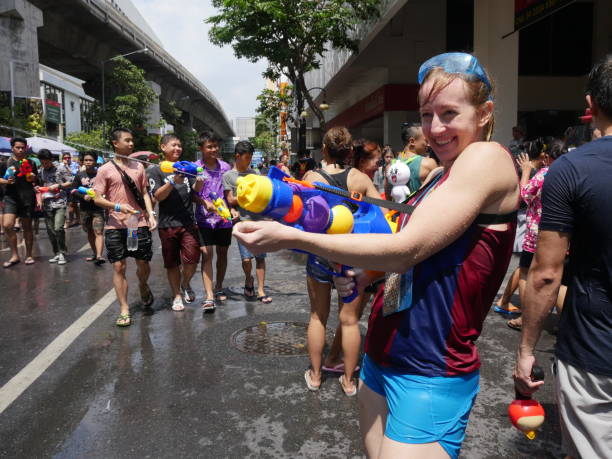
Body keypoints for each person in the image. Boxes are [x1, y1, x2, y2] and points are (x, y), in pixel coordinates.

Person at [235, 52, 519, 458]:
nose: (435, 128)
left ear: (485, 113)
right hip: (385, 354)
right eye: (426, 114)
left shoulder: (485, 158)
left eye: (450, 113)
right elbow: (426, 257)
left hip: (431, 370)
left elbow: (407, 249)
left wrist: (291, 237)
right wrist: (369, 276)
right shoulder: (444, 172)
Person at [514, 56, 612, 459]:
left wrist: (525, 352)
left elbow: (545, 275)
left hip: (595, 352)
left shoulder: (571, 169)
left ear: (591, 103)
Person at [294, 126, 382, 397]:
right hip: (350, 255)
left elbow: (299, 211)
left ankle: (317, 376)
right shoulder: (359, 178)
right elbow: (382, 209)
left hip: (321, 253)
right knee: (350, 320)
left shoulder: (311, 176)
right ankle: (348, 382)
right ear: (349, 151)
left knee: (318, 317)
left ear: (324, 150)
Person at [93, 128, 157, 327]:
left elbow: (145, 193)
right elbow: (97, 199)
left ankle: (143, 285)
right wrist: (118, 206)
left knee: (143, 264)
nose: (131, 144)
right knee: (119, 266)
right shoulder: (105, 170)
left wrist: (151, 214)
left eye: (132, 140)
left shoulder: (138, 167)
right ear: (115, 143)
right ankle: (124, 308)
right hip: (115, 225)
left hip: (136, 224)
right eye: (127, 141)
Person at [147, 134, 203, 312]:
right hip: (167, 224)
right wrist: (172, 181)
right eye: (173, 145)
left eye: (179, 145)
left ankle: (185, 283)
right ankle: (176, 294)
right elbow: (157, 196)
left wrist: (200, 182)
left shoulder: (187, 167)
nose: (177, 148)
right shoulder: (155, 170)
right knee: (171, 263)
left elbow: (194, 192)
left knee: (193, 260)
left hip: (188, 222)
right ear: (163, 147)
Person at [223, 141, 272, 303]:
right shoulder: (229, 176)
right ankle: (248, 279)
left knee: (260, 257)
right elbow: (230, 199)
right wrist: (248, 196)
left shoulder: (255, 173)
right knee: (246, 259)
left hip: (258, 221)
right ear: (238, 156)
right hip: (242, 222)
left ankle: (261, 290)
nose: (249, 160)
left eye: (251, 157)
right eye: (247, 157)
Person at [194, 131, 232, 312]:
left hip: (224, 219)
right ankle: (209, 295)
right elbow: (190, 195)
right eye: (209, 147)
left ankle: (219, 286)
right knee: (206, 253)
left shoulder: (225, 167)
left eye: (215, 146)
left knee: (223, 252)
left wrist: (232, 208)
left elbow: (229, 193)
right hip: (204, 219)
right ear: (201, 148)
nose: (213, 149)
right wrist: (202, 201)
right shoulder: (195, 168)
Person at [0, 137, 38, 267]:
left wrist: (33, 177)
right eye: (18, 147)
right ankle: (15, 255)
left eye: (23, 147)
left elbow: (36, 182)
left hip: (27, 197)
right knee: (7, 225)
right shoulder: (5, 162)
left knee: (27, 227)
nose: (21, 150)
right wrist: (6, 181)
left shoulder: (31, 162)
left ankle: (28, 255)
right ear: (12, 148)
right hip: (10, 197)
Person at [36, 149, 73, 265]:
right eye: (42, 162)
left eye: (46, 162)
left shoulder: (61, 168)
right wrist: (38, 189)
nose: (45, 165)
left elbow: (71, 181)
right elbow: (40, 185)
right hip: (47, 204)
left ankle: (63, 252)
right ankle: (56, 253)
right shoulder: (41, 171)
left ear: (51, 160)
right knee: (51, 231)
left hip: (60, 202)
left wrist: (59, 185)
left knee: (58, 228)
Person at [73, 151, 106, 264]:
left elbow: (106, 189)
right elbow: (74, 190)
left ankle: (99, 255)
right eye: (86, 160)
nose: (88, 162)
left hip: (98, 208)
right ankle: (94, 253)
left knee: (98, 231)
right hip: (84, 209)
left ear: (95, 161)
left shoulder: (100, 174)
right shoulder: (79, 175)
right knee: (90, 232)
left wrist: (98, 196)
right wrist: (83, 196)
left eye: (90, 160)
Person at [397, 124, 437, 191]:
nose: (429, 144)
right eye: (426, 141)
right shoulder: (428, 163)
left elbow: (388, 194)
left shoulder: (391, 164)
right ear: (412, 141)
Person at [62, 152, 80, 227]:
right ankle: (77, 219)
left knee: (72, 204)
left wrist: (67, 166)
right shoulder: (60, 165)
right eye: (65, 158)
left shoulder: (74, 165)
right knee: (71, 204)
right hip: (64, 187)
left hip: (73, 186)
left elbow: (74, 173)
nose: (67, 159)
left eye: (68, 158)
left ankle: (72, 220)